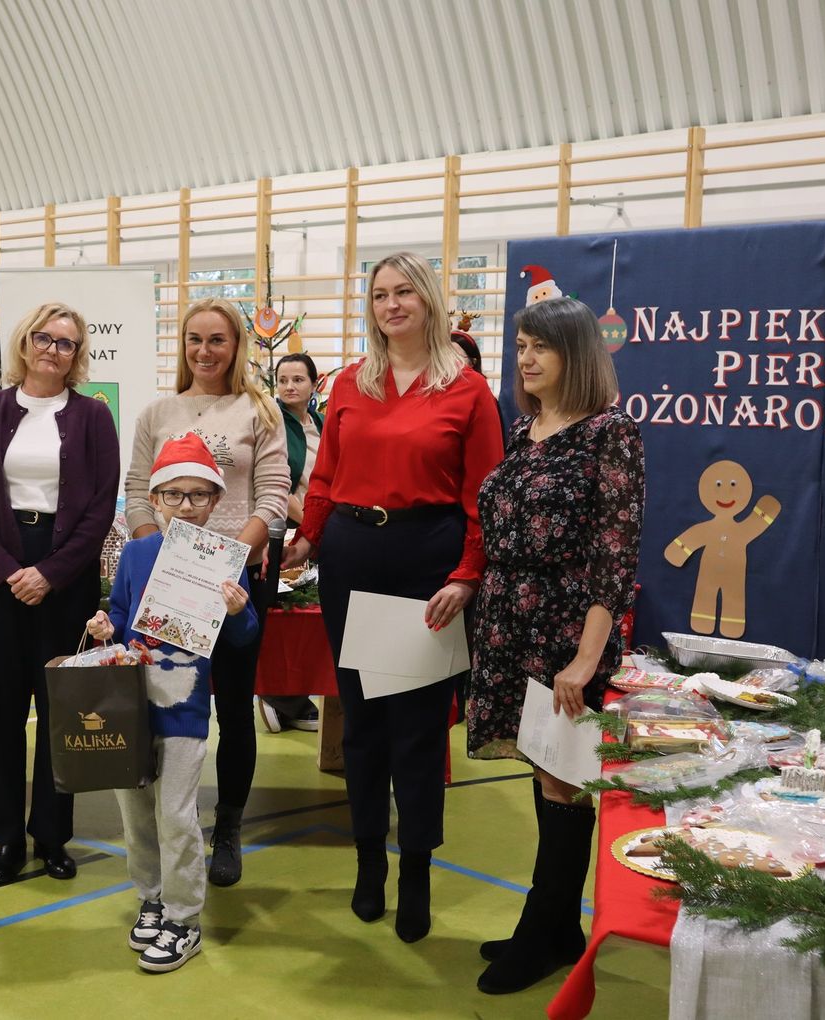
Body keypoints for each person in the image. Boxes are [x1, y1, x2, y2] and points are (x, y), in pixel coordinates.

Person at [281, 252, 504, 943]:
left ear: (428, 299)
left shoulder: (468, 391)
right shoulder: (350, 383)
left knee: (418, 728)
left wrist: (467, 573)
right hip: (351, 557)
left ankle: (416, 870)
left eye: (405, 291)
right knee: (362, 723)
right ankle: (368, 862)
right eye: (380, 294)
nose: (392, 305)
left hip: (426, 562)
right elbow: (326, 477)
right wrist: (309, 538)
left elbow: (485, 495)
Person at [465, 295, 644, 995]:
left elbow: (614, 555)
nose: (527, 358)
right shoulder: (525, 428)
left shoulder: (611, 432)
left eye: (541, 345)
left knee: (563, 779)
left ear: (577, 353)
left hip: (567, 633)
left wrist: (586, 658)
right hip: (511, 626)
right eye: (520, 346)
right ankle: (556, 926)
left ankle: (543, 933)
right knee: (544, 773)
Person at [125, 297, 290, 887]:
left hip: (233, 583)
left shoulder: (259, 410)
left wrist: (225, 564)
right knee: (166, 698)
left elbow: (273, 497)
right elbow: (137, 492)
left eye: (217, 339)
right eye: (194, 339)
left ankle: (229, 826)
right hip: (166, 583)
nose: (205, 350)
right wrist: (161, 558)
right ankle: (173, 818)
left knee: (236, 707)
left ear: (236, 345)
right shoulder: (157, 412)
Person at [0, 302, 119, 886]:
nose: (53, 349)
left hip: (66, 574)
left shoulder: (93, 417)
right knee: (0, 709)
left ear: (77, 356)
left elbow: (100, 507)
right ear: (25, 343)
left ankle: (52, 835)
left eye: (66, 343)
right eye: (44, 338)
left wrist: (50, 572)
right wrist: (7, 571)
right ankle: (4, 836)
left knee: (61, 709)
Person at [88, 433, 259, 973]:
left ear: (215, 500)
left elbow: (244, 638)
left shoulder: (225, 560)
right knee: (136, 811)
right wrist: (105, 626)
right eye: (174, 494)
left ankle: (184, 919)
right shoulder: (136, 554)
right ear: (155, 499)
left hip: (184, 709)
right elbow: (120, 615)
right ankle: (152, 897)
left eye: (198, 494)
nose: (186, 505)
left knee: (176, 814)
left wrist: (238, 612)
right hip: (130, 706)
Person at [258, 352, 324, 734]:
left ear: (314, 384)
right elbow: (278, 485)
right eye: (282, 380)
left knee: (310, 618)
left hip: (317, 529)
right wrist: (311, 524)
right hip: (289, 529)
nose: (289, 386)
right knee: (285, 618)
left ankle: (294, 698)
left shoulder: (320, 422)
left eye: (298, 379)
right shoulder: (274, 423)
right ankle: (279, 695)